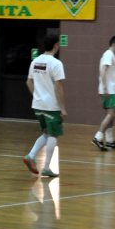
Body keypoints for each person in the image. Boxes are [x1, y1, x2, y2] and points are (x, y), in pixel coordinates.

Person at [23, 34, 67, 177]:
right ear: (56, 45)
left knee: (47, 133)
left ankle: (31, 156)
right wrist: (63, 108)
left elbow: (28, 82)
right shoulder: (56, 63)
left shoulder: (35, 61)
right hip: (50, 105)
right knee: (53, 134)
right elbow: (58, 87)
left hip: (37, 105)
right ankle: (47, 167)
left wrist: (36, 95)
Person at [91, 36, 115, 151]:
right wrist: (105, 88)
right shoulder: (108, 55)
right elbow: (103, 70)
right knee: (111, 115)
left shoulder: (110, 55)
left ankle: (109, 141)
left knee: (113, 114)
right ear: (113, 44)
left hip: (110, 90)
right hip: (108, 90)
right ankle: (98, 137)